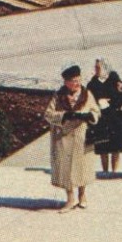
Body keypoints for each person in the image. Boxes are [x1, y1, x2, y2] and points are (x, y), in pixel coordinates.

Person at [46, 65, 100, 211]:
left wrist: (90, 115)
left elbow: (96, 111)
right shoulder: (58, 96)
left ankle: (82, 196)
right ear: (66, 82)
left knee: (81, 166)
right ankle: (70, 199)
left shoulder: (87, 94)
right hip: (63, 137)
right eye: (73, 81)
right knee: (65, 168)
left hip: (81, 135)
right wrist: (64, 115)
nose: (77, 83)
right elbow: (48, 114)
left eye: (78, 80)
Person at [89, 67, 122, 177]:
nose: (96, 70)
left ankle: (114, 172)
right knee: (103, 147)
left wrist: (111, 102)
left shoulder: (114, 78)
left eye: (98, 67)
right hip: (101, 118)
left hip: (115, 118)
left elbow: (121, 95)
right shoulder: (93, 83)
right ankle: (105, 171)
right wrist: (98, 103)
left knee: (116, 147)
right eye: (95, 67)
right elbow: (89, 98)